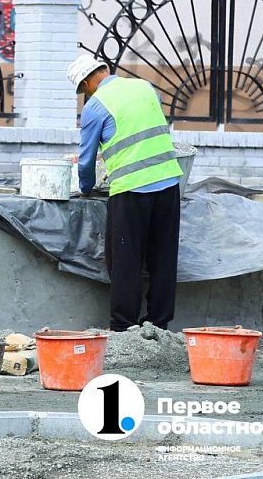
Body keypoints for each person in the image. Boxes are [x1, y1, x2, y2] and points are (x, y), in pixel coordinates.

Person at [67, 54, 184, 332]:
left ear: (86, 83)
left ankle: (123, 325)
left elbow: (86, 160)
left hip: (131, 189)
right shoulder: (146, 87)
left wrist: (85, 188)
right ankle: (159, 321)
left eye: (83, 90)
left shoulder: (95, 107)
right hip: (169, 182)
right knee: (164, 257)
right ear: (106, 70)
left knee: (125, 259)